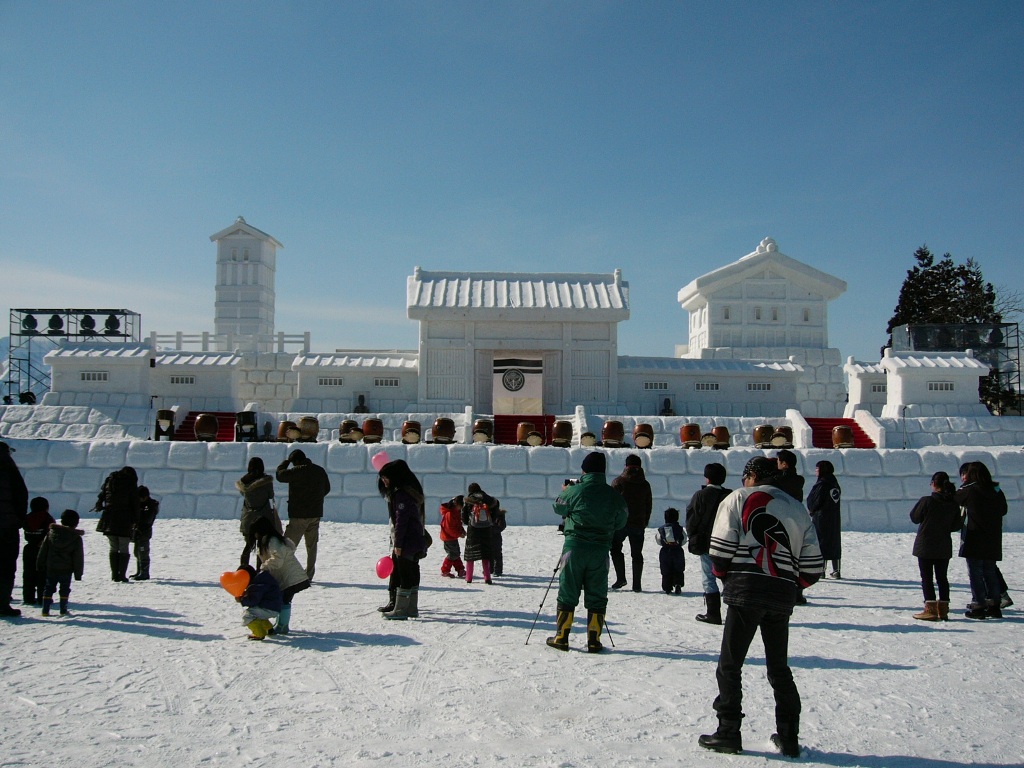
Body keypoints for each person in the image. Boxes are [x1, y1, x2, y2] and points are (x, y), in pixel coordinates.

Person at [698, 456, 823, 758]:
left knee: (730, 665)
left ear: (752, 475)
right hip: (781, 595)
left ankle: (728, 730)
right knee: (779, 668)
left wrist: (726, 578)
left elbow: (719, 552)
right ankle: (789, 736)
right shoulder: (796, 507)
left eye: (745, 477)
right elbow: (812, 567)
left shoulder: (737, 499)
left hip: (745, 592)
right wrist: (790, 585)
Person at [547, 451, 627, 653]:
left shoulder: (575, 490)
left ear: (584, 470)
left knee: (568, 590)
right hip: (600, 550)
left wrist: (566, 490)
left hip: (574, 548)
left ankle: (562, 637)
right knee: (597, 594)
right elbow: (621, 521)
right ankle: (594, 639)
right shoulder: (613, 495)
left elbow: (558, 507)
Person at [956, 461, 1008, 619]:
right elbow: (1003, 510)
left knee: (976, 573)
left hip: (974, 536)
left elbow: (954, 499)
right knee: (990, 572)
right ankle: (994, 605)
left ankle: (978, 604)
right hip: (992, 538)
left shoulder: (970, 490)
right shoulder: (996, 490)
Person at [377, 458, 427, 620]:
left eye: (386, 477)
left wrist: (398, 544)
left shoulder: (401, 495)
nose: (383, 481)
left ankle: (400, 609)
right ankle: (411, 608)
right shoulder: (412, 491)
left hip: (407, 541)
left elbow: (401, 521)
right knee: (412, 572)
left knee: (404, 573)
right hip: (416, 539)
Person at [909, 471, 961, 621]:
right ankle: (943, 609)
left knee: (926, 577)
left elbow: (914, 517)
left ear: (934, 484)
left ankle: (930, 608)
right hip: (944, 544)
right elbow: (956, 525)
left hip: (925, 544)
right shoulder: (953, 504)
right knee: (942, 577)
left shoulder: (927, 501)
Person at [686, 462, 731, 625]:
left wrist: (692, 535)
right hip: (727, 541)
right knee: (728, 575)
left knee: (708, 577)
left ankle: (713, 613)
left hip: (706, 542)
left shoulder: (700, 495)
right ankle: (735, 609)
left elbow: (692, 519)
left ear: (707, 478)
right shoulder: (730, 495)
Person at [276, 449, 331, 581]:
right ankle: (309, 574)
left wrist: (286, 462)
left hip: (299, 515)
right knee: (311, 546)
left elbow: (280, 475)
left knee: (287, 546)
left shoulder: (297, 471)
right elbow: (327, 488)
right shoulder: (319, 470)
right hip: (315, 514)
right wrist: (316, 499)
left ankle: (281, 573)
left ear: (296, 462)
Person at [252, 516, 310, 635]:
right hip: (288, 578)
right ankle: (281, 624)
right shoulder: (270, 540)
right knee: (284, 600)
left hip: (291, 578)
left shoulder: (272, 540)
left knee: (284, 601)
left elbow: (278, 559)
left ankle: (283, 626)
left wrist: (264, 567)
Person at [610, 454, 653, 592]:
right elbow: (648, 505)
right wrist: (645, 521)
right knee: (637, 554)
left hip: (620, 523)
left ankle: (621, 578)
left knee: (616, 549)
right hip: (638, 523)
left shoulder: (618, 482)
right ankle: (637, 584)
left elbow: (613, 504)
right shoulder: (645, 484)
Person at [37, 509, 84, 616]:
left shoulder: (51, 534)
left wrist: (40, 564)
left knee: (48, 588)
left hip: (51, 567)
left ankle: (45, 610)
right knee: (64, 589)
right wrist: (78, 573)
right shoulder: (76, 538)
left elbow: (43, 551)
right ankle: (63, 609)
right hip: (66, 569)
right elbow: (78, 557)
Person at [96, 466, 139, 583]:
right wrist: (136, 519)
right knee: (124, 546)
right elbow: (134, 502)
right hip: (124, 518)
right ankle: (122, 575)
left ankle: (114, 574)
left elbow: (102, 495)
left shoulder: (110, 480)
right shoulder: (130, 483)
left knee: (113, 546)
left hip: (109, 517)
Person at [0, 441, 29, 617]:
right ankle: (2, 603)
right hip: (7, 526)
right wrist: (18, 520)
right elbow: (20, 494)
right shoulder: (9, 467)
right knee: (6, 565)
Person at [236, 457, 279, 568]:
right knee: (262, 546)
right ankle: (259, 571)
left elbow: (243, 495)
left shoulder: (243, 481)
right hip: (263, 518)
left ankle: (243, 569)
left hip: (248, 518)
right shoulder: (266, 481)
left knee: (248, 545)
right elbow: (271, 495)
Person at [807, 460, 842, 578]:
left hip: (821, 518)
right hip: (834, 517)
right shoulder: (834, 483)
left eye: (817, 469)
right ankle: (836, 570)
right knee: (834, 542)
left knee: (821, 542)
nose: (816, 471)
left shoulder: (822, 484)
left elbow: (815, 501)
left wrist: (812, 509)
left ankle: (822, 570)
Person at [461, 483, 498, 585]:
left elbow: (464, 516)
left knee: (470, 555)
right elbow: (495, 510)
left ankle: (468, 577)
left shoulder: (469, 500)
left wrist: (467, 522)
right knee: (485, 554)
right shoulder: (488, 499)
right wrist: (491, 522)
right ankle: (487, 577)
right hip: (486, 530)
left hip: (473, 530)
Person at [237, 563, 283, 640]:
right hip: (274, 606)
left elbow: (253, 601)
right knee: (257, 612)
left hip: (269, 608)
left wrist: (242, 600)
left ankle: (259, 633)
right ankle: (269, 629)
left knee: (248, 615)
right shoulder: (262, 579)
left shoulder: (257, 585)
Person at [22, 496, 55, 605]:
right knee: (43, 575)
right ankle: (43, 597)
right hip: (44, 550)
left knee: (28, 574)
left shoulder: (27, 517)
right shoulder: (48, 519)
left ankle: (28, 597)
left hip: (29, 548)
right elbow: (51, 534)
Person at [655, 508, 686, 594]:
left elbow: (658, 539)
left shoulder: (662, 529)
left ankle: (667, 587)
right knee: (678, 568)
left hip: (665, 552)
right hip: (678, 551)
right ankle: (678, 584)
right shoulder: (679, 529)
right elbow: (684, 539)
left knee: (666, 569)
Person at [130, 485, 159, 580]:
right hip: (138, 532)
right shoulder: (141, 505)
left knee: (143, 552)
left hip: (144, 532)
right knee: (137, 552)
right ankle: (140, 571)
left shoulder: (150, 506)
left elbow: (147, 520)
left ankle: (145, 573)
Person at [438, 495, 467, 579]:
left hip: (452, 537)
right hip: (448, 537)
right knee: (452, 554)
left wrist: (461, 530)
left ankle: (460, 569)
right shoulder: (450, 514)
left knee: (456, 553)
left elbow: (458, 524)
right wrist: (459, 534)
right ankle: (445, 570)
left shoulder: (456, 512)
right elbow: (450, 528)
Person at [490, 504, 508, 577]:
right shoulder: (487, 513)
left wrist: (491, 530)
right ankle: (490, 568)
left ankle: (497, 570)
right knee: (489, 554)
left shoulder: (499, 515)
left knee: (497, 554)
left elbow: (501, 526)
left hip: (496, 537)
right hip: (488, 537)